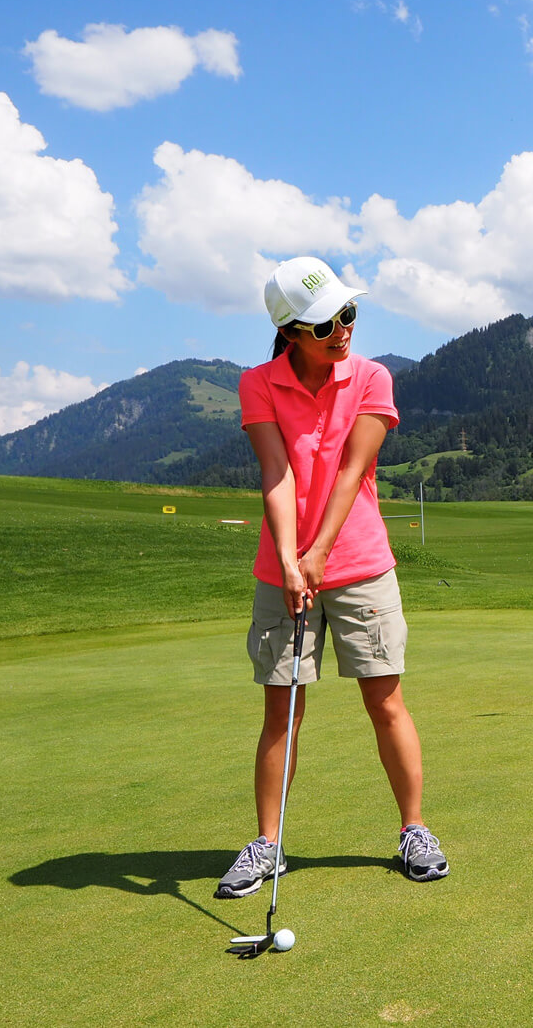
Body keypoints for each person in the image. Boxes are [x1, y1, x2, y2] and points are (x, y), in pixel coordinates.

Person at [215, 256, 447, 897]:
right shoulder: (257, 383)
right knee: (281, 712)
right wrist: (290, 562)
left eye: (349, 313)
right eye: (325, 324)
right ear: (290, 332)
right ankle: (267, 844)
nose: (343, 328)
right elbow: (277, 474)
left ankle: (414, 829)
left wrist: (316, 555)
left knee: (386, 700)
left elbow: (351, 473)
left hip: (361, 563)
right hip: (281, 571)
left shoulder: (373, 378)